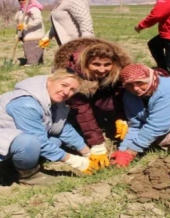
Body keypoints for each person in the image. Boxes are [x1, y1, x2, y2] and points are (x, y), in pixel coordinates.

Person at [0, 70, 101, 185]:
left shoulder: (52, 100)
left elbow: (62, 128)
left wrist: (87, 153)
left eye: (72, 90)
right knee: (30, 143)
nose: (66, 91)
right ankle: (27, 175)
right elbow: (39, 140)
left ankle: (5, 163)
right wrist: (76, 162)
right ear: (49, 80)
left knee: (55, 141)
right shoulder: (27, 103)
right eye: (64, 84)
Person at [53, 37, 132, 168]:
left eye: (107, 65)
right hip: (77, 104)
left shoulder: (118, 70)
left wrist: (120, 117)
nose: (102, 70)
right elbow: (83, 111)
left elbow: (119, 95)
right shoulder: (72, 75)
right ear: (85, 63)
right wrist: (97, 145)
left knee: (110, 104)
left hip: (101, 93)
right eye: (96, 64)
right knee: (77, 114)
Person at [109, 63, 170, 167]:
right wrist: (122, 149)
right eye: (129, 85)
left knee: (165, 139)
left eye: (140, 83)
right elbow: (136, 124)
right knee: (150, 137)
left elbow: (156, 127)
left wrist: (130, 153)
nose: (136, 88)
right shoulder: (129, 95)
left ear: (151, 78)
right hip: (160, 123)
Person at [15, 0, 45, 66]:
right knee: (29, 51)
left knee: (32, 52)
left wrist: (27, 26)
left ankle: (32, 65)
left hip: (35, 35)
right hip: (26, 35)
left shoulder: (33, 9)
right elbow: (19, 25)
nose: (20, 1)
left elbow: (38, 20)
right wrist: (18, 35)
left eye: (23, 0)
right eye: (19, 0)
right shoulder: (21, 11)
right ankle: (38, 66)